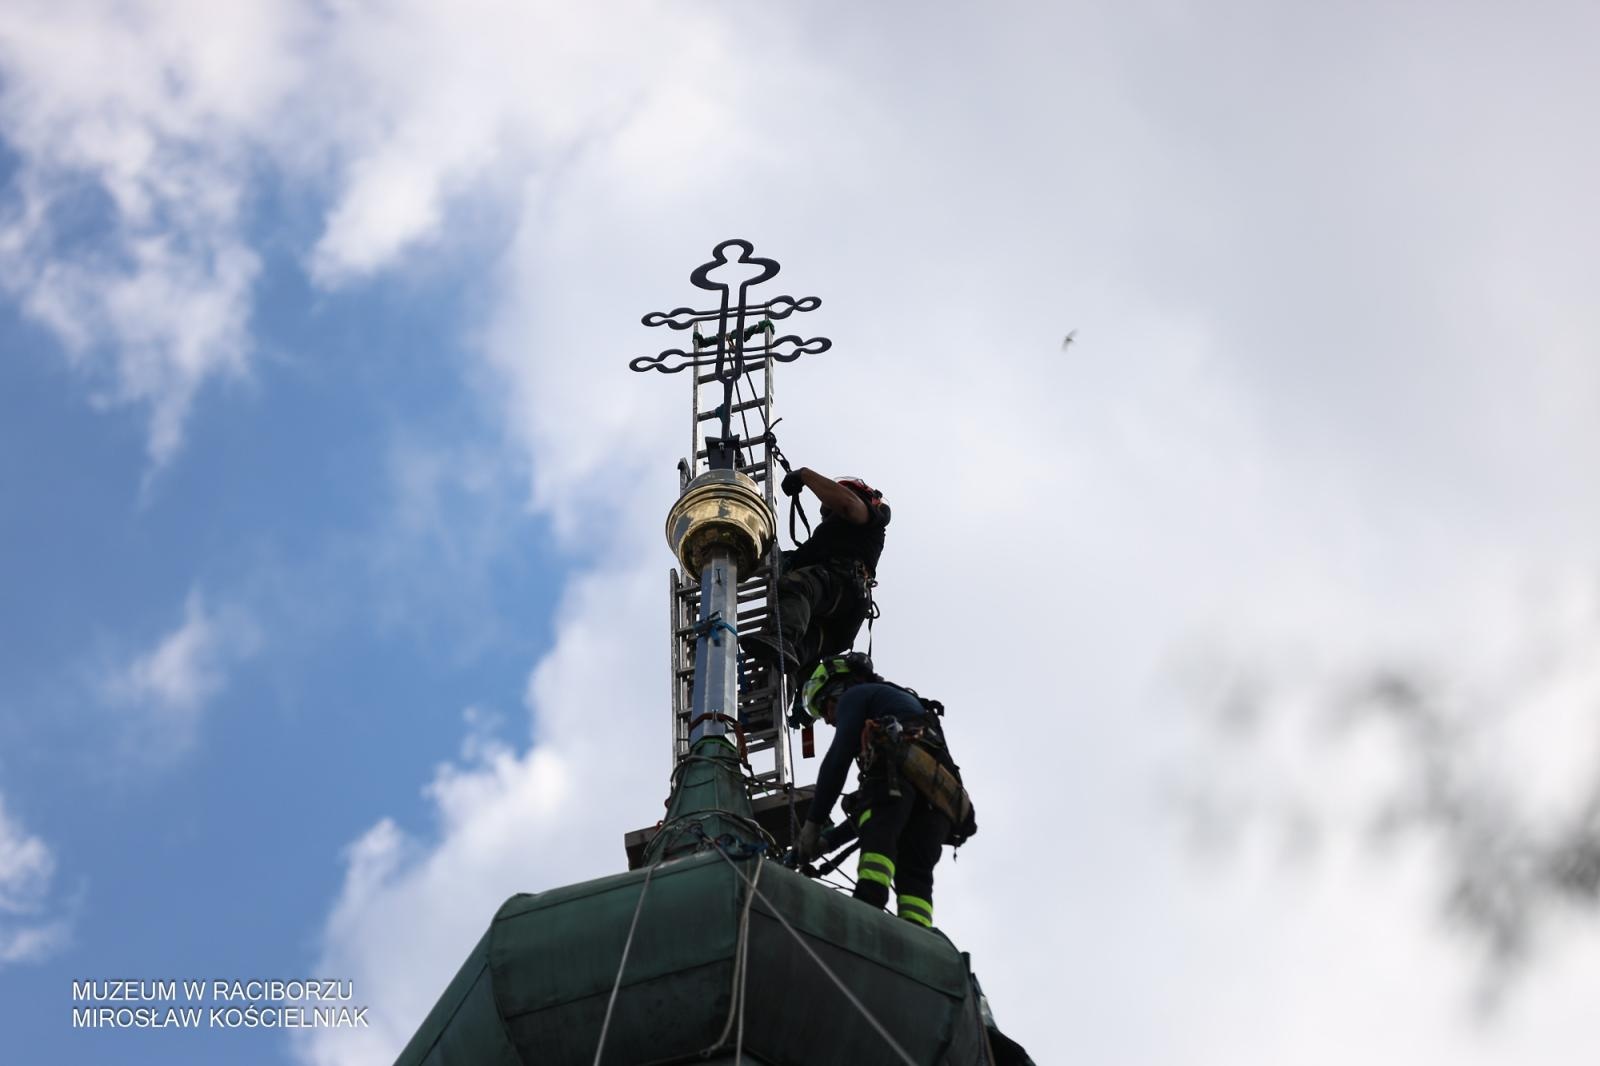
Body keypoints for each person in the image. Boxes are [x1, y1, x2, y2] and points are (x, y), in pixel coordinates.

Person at [794, 653, 970, 930]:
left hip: (898, 785)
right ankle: (915, 934)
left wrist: (813, 824)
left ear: (839, 689)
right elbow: (888, 806)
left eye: (824, 707)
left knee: (878, 841)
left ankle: (865, 911)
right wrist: (828, 842)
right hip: (939, 805)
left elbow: (838, 761)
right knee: (914, 875)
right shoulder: (912, 721)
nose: (828, 720)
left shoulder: (857, 696)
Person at [739, 468, 889, 687]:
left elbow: (848, 505)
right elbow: (779, 562)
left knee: (797, 586)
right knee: (791, 661)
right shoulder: (819, 547)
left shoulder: (870, 518)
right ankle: (776, 697)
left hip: (842, 588)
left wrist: (804, 475)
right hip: (836, 625)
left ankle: (783, 637)